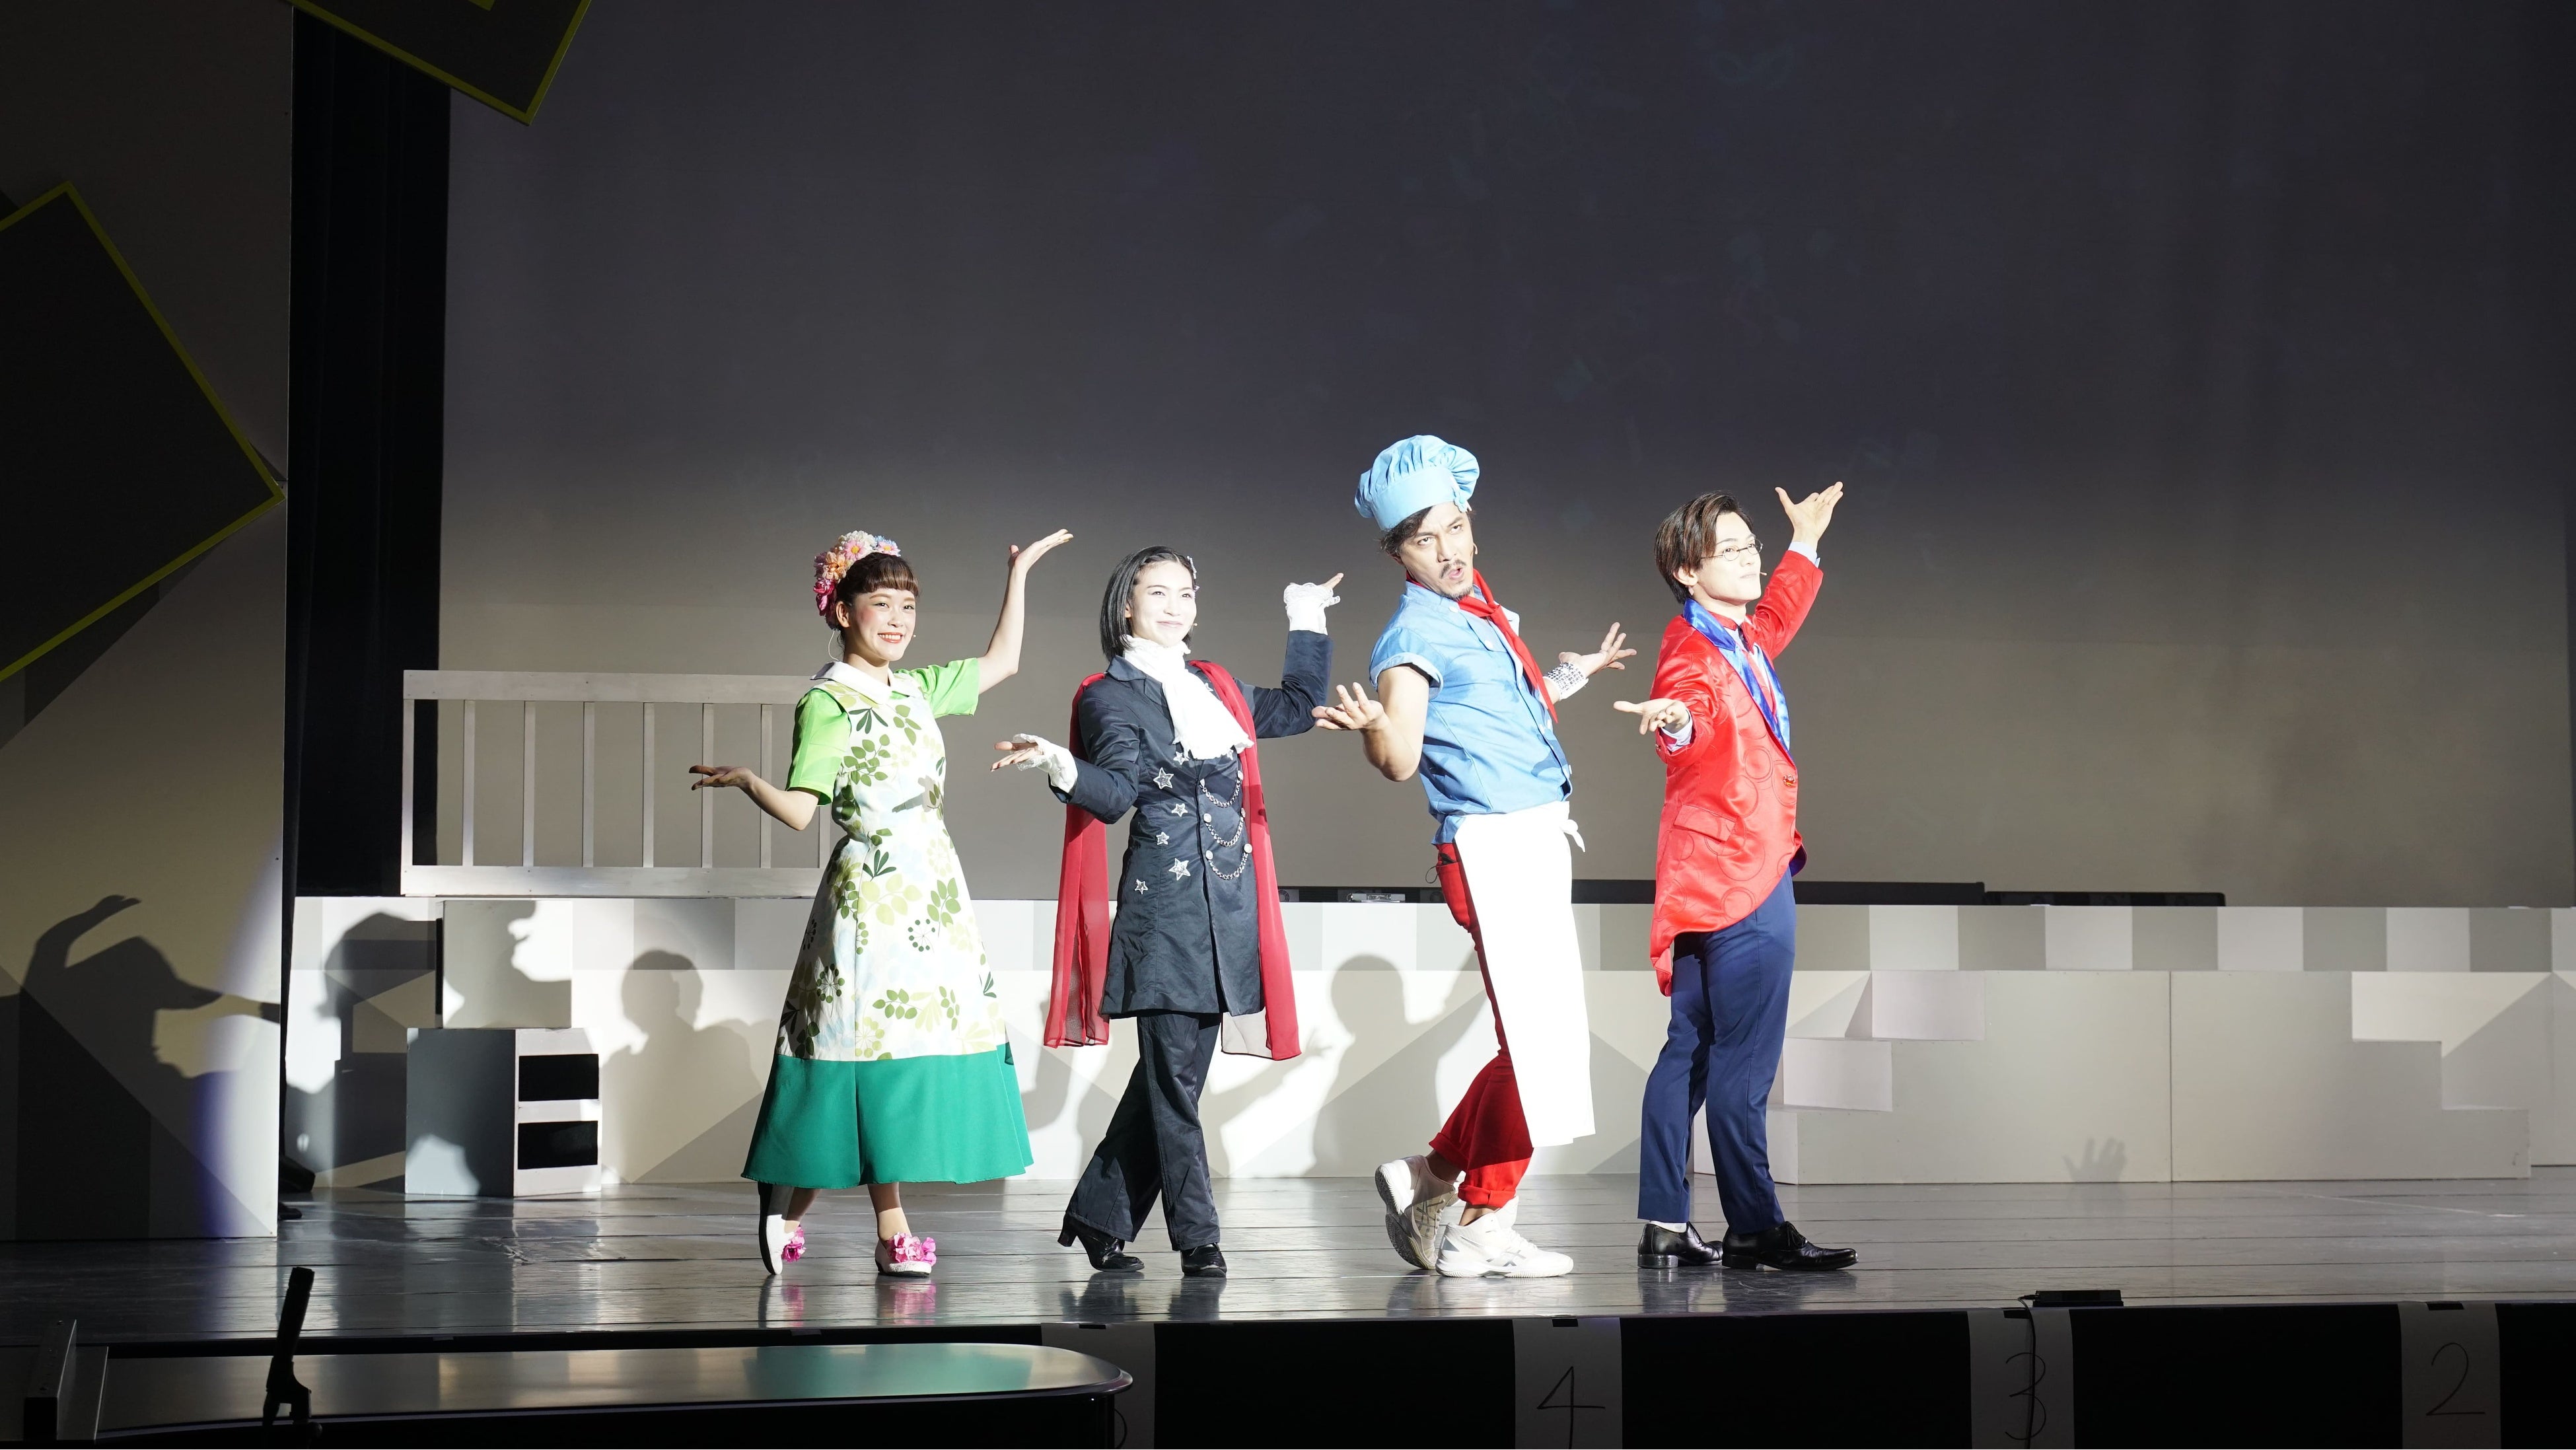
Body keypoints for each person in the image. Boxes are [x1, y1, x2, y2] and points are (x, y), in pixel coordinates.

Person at [690, 525, 1069, 1278]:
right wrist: (749, 781)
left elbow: (1003, 661)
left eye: (908, 606)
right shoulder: (828, 701)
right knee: (863, 1050)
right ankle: (875, 1223)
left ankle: (804, 1205)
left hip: (933, 891)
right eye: (882, 603)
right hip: (871, 894)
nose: (898, 620)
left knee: (901, 1053)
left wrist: (1020, 572)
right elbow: (801, 812)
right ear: (842, 612)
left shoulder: (915, 689)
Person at [1311, 435, 1633, 1279]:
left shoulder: (1477, 611)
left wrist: (1572, 674)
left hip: (1531, 838)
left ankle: (1437, 1177)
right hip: (1493, 846)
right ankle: (1474, 1217)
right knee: (1539, 1044)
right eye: (1425, 539)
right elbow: (1402, 758)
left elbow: (1506, 710)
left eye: (1454, 527)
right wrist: (1374, 729)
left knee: (1539, 1042)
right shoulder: (1414, 633)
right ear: (1398, 553)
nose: (1448, 550)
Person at [993, 548, 1338, 1278]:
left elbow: (1298, 707)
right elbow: (1117, 794)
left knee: (1168, 1082)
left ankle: (1099, 1214)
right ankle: (1198, 1237)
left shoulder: (1214, 685)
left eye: (1186, 592)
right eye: (1159, 593)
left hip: (1228, 916)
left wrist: (1306, 615)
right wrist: (1062, 764)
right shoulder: (1107, 696)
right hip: (1164, 919)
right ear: (1127, 604)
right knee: (1175, 1086)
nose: (1176, 606)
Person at [1614, 486, 1858, 1272]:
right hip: (1742, 872)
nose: (1752, 559)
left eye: (1754, 545)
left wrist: (1804, 542)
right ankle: (1754, 1225)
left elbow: (1777, 614)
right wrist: (1678, 724)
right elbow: (1691, 712)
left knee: (1689, 1046)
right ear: (1688, 570)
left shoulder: (1733, 634)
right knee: (1743, 1060)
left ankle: (1664, 1221)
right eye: (1734, 550)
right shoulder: (1693, 652)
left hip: (1699, 873)